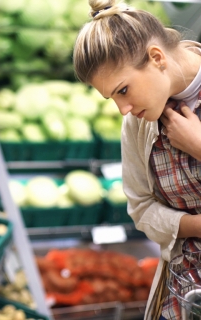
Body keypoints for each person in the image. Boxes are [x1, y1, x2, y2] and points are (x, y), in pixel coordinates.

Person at [73, 0, 201, 319]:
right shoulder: (138, 123)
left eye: (124, 90)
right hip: (183, 292)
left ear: (156, 57)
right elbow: (141, 207)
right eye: (112, 97)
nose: (123, 109)